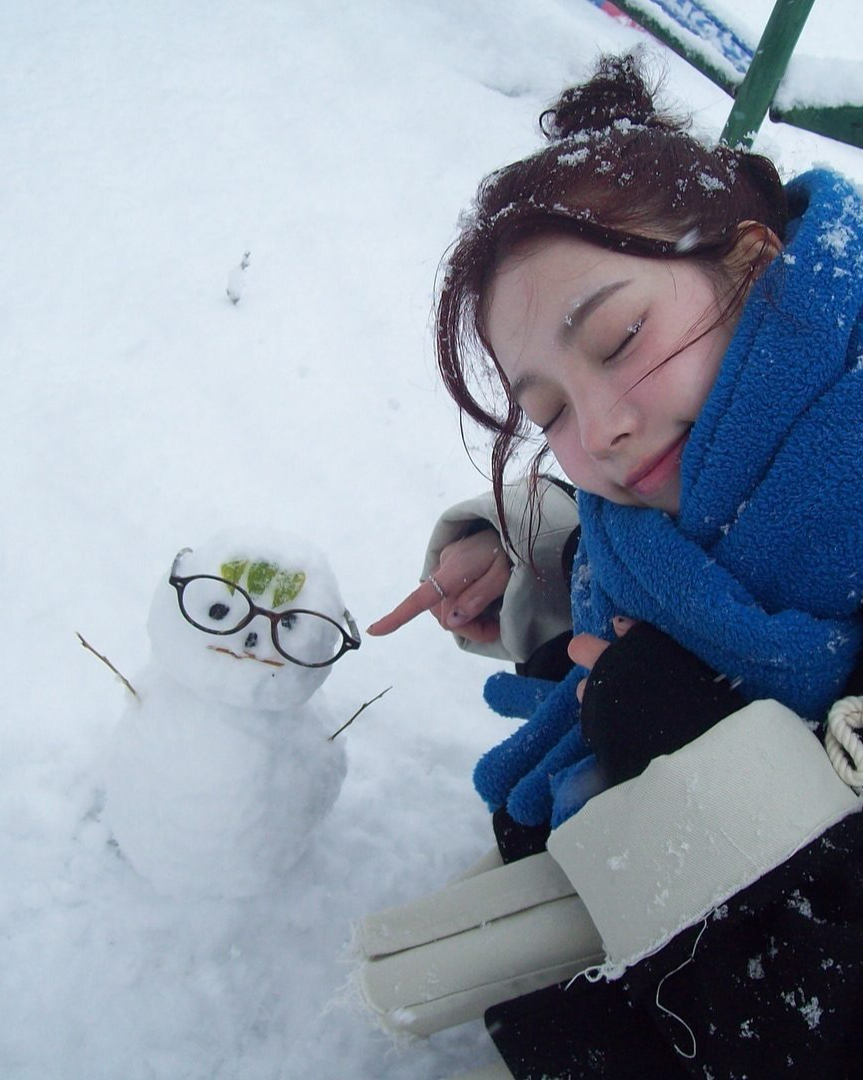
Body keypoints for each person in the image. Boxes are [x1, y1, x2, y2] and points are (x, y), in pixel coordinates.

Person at [367, 52, 863, 1079]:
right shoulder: (721, 500)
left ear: (751, 262)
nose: (599, 435)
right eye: (544, 413)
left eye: (618, 336)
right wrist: (533, 569)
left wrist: (720, 775)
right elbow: (675, 568)